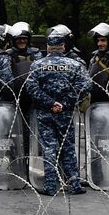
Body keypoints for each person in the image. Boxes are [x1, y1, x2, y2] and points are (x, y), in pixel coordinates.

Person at [24, 29, 89, 195]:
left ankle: (51, 186)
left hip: (45, 112)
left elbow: (31, 87)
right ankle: (74, 184)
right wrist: (65, 103)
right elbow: (86, 86)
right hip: (65, 113)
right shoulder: (74, 65)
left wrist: (51, 103)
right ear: (63, 46)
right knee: (67, 147)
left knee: (49, 148)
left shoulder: (38, 65)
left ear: (48, 47)